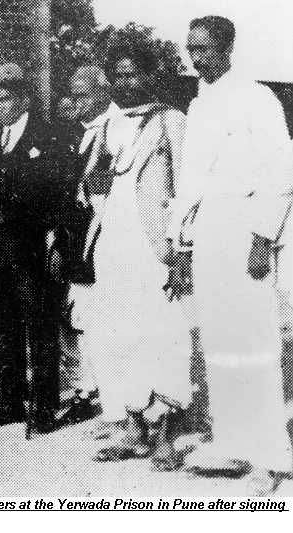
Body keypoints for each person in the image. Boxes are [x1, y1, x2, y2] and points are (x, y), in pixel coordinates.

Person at [172, 16, 293, 494]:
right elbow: (190, 182)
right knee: (220, 340)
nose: (195, 58)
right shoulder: (199, 104)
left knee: (254, 342)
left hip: (246, 233)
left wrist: (263, 237)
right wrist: (181, 242)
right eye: (191, 49)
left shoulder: (258, 99)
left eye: (203, 49)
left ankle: (270, 457)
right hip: (209, 234)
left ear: (227, 48)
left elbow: (282, 171)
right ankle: (233, 442)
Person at [77, 42, 192, 469]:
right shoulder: (105, 126)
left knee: (161, 333)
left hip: (154, 246)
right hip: (112, 245)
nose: (126, 83)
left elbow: (187, 192)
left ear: (149, 75)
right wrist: (94, 184)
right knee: (116, 333)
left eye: (133, 74)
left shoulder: (171, 121)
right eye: (119, 75)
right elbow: (89, 188)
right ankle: (132, 426)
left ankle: (165, 431)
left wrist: (181, 252)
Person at [0, 63, 73, 433]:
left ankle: (43, 406)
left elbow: (61, 194)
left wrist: (57, 240)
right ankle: (11, 400)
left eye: (5, 98)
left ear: (23, 99)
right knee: (3, 325)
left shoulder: (48, 136)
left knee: (40, 325)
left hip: (33, 249)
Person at [56, 64, 117, 428]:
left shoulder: (115, 128)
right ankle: (85, 387)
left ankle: (108, 396)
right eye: (73, 94)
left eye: (83, 94)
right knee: (73, 315)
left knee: (97, 317)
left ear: (103, 92)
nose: (75, 101)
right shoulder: (77, 132)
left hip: (102, 237)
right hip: (74, 237)